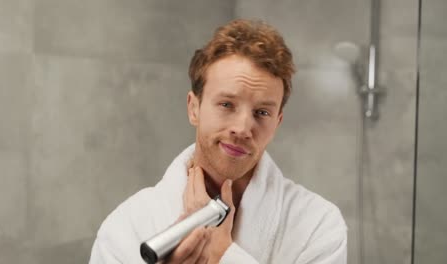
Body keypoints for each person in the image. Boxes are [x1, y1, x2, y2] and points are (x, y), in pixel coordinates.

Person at [89, 19, 347, 264]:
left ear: (277, 123)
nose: (243, 128)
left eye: (262, 113)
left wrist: (223, 254)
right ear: (194, 108)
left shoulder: (318, 224)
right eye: (226, 104)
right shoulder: (126, 226)